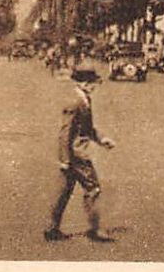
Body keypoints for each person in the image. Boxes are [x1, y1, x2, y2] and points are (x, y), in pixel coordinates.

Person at [45, 64, 116, 243]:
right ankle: (95, 229)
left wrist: (102, 139)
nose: (95, 87)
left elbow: (88, 128)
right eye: (93, 83)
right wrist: (64, 159)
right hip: (77, 155)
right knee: (93, 189)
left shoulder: (84, 99)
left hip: (73, 155)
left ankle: (51, 228)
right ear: (84, 83)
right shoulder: (75, 102)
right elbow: (65, 132)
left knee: (64, 191)